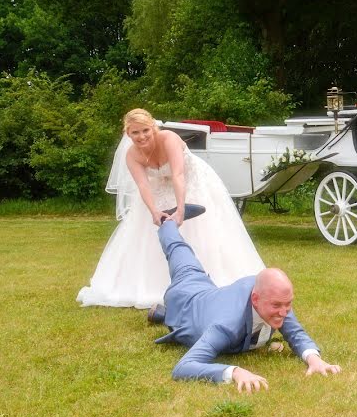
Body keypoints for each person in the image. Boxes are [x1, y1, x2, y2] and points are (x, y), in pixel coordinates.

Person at [77, 108, 265, 308]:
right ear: (128, 133)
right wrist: (154, 211)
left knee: (202, 231)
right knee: (151, 233)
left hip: (191, 182)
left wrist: (181, 209)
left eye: (145, 130)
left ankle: (207, 280)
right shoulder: (132, 155)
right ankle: (160, 283)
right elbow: (143, 185)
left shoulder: (169, 139)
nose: (141, 137)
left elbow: (178, 175)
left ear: (153, 128)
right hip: (160, 189)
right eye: (135, 132)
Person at [152, 217, 342, 392]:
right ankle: (167, 221)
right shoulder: (225, 326)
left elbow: (295, 333)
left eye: (288, 304)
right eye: (277, 306)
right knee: (179, 251)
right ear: (256, 299)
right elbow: (183, 367)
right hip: (187, 294)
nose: (284, 312)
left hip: (214, 300)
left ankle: (160, 314)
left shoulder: (276, 298)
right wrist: (234, 372)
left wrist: (314, 359)